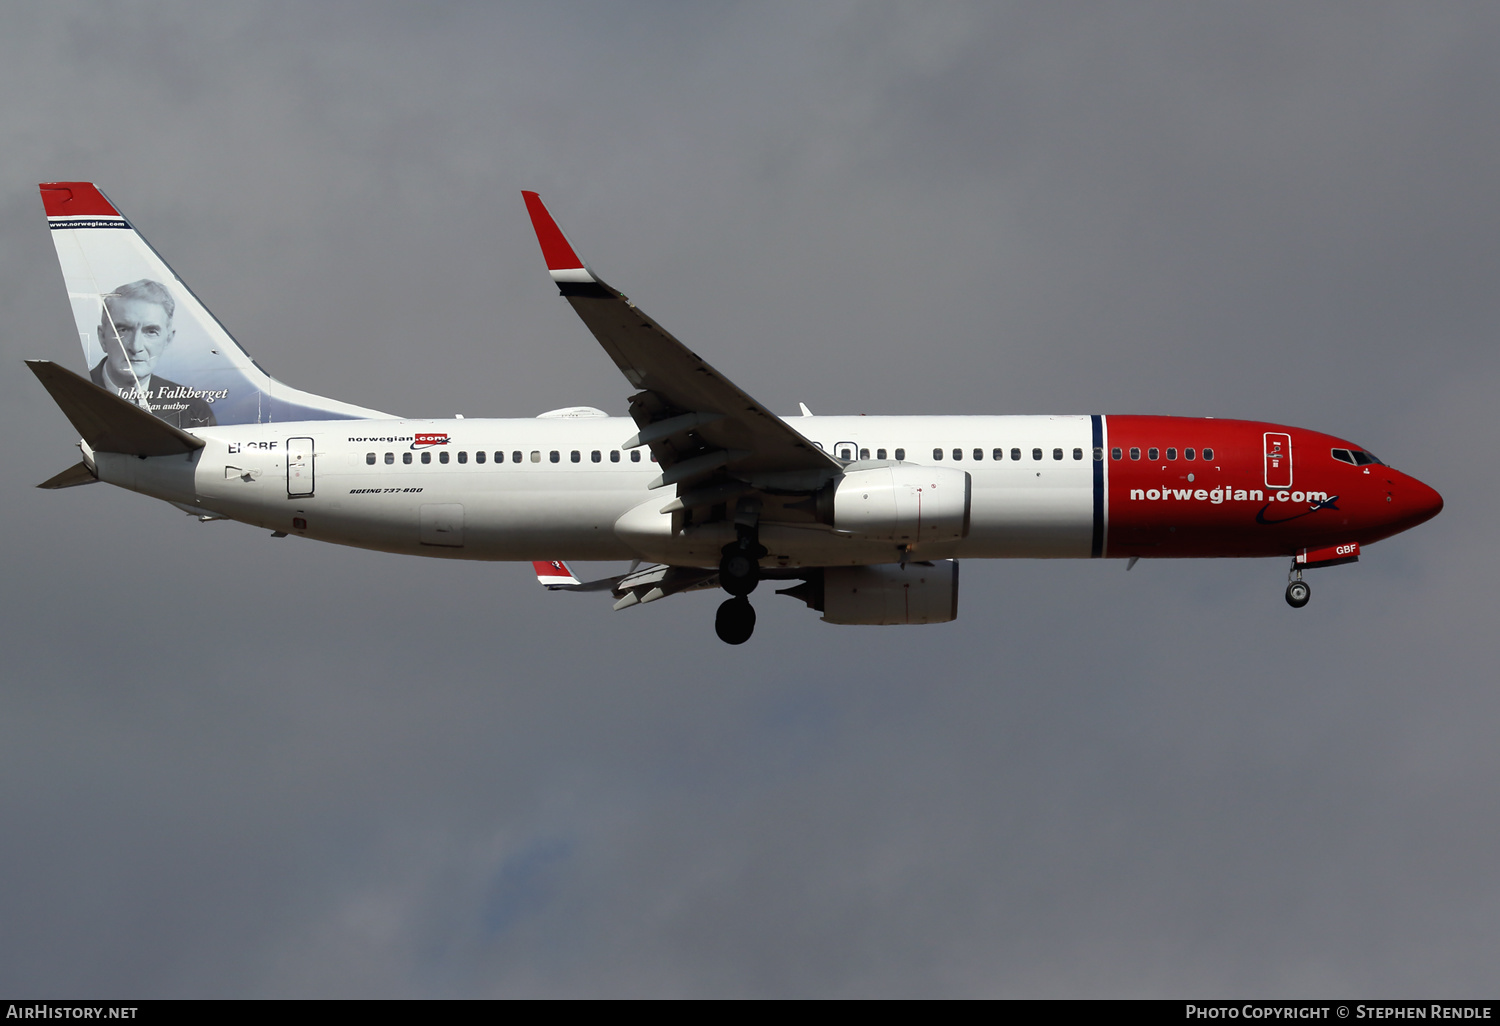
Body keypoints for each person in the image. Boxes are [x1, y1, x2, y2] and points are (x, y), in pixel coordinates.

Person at [89, 279, 216, 429]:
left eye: (151, 332)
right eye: (123, 330)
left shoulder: (193, 409)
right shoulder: (72, 398)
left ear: (168, 339)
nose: (136, 347)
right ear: (102, 337)